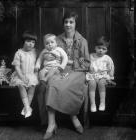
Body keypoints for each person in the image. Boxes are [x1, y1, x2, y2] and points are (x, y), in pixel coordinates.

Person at [37, 11, 90, 140]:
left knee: (70, 86)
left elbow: (87, 63)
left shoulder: (82, 41)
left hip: (77, 71)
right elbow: (48, 55)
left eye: (71, 22)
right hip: (60, 69)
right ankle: (51, 123)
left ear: (76, 24)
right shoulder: (56, 39)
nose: (68, 24)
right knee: (52, 84)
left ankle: (73, 116)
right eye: (66, 22)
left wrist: (72, 62)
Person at [9, 31, 39, 118]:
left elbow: (39, 60)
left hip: (31, 75)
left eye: (33, 42)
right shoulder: (19, 53)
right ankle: (27, 107)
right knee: (21, 85)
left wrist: (36, 73)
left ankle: (27, 108)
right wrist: (22, 77)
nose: (31, 44)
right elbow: (17, 67)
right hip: (20, 74)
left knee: (32, 86)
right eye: (28, 41)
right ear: (24, 41)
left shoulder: (35, 52)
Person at [86, 36, 115, 112]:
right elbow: (86, 64)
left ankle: (102, 103)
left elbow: (111, 67)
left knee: (101, 84)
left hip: (103, 75)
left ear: (106, 50)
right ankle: (93, 103)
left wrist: (110, 76)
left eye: (103, 49)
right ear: (95, 48)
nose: (101, 50)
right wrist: (88, 67)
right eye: (99, 48)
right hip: (92, 75)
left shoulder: (107, 58)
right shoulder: (91, 56)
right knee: (91, 84)